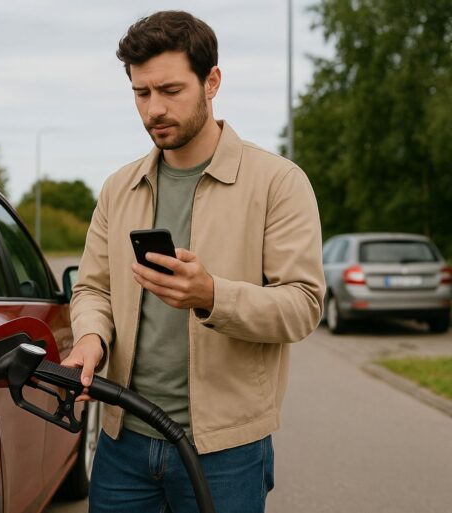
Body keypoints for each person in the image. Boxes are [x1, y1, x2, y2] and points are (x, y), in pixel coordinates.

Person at [62, 10, 325, 513]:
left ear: (212, 82)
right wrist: (91, 339)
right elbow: (93, 289)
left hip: (226, 451)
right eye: (141, 93)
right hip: (123, 438)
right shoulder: (119, 188)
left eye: (170, 90)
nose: (154, 109)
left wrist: (212, 296)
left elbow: (303, 305)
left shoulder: (278, 182)